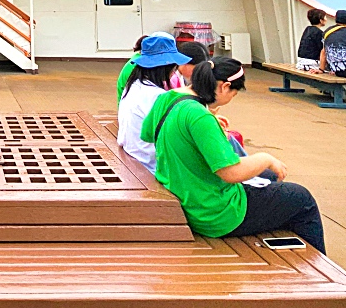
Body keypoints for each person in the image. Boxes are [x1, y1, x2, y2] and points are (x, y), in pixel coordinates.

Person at [140, 57, 326, 253]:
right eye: (233, 94)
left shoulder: (167, 98)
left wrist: (207, 128)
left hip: (181, 191)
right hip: (213, 212)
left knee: (271, 179)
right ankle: (321, 272)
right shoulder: (199, 117)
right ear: (225, 86)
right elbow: (230, 173)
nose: (231, 99)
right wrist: (265, 158)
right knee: (301, 199)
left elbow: (148, 133)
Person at [116, 34, 189, 171]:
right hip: (149, 166)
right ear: (166, 67)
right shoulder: (158, 97)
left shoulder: (133, 85)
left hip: (132, 154)